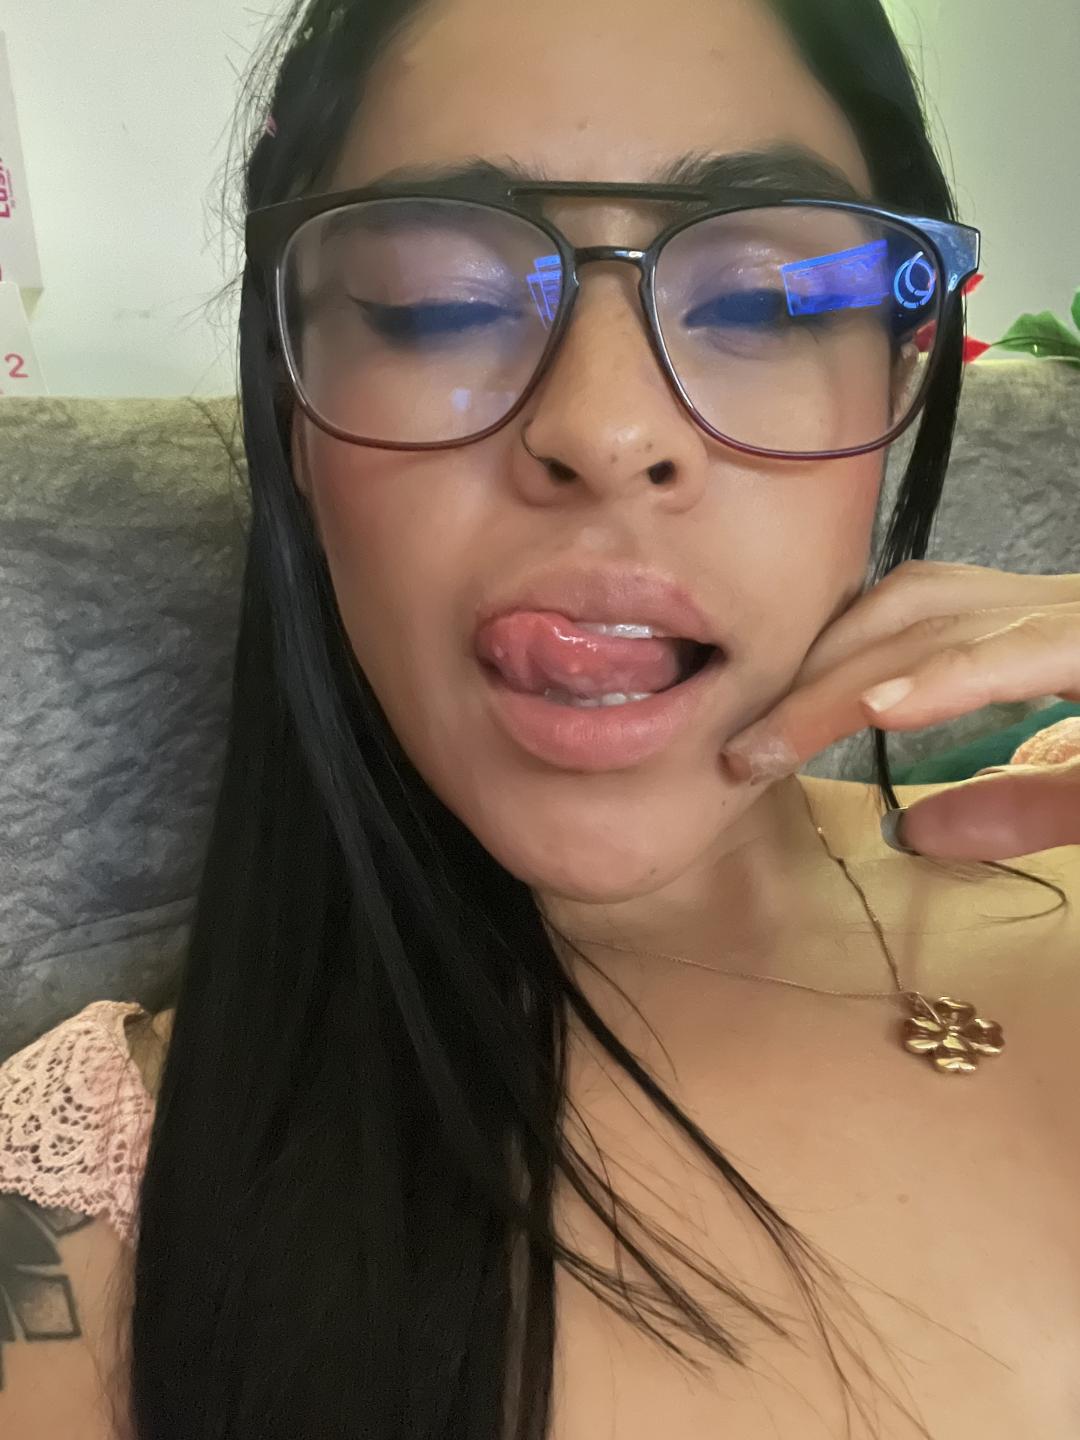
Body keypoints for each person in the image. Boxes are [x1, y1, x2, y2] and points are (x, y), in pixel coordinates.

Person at [1, 0, 1078, 1436]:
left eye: (766, 304)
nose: (607, 429)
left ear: (901, 374)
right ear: (294, 410)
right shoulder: (76, 1225)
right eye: (433, 303)